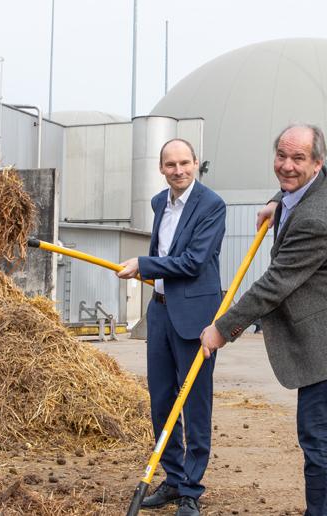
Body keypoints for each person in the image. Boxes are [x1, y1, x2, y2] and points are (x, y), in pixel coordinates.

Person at [199, 124, 327, 516]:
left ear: (317, 163)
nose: (287, 165)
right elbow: (293, 187)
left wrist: (222, 329)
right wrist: (278, 202)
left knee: (320, 441)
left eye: (298, 159)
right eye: (282, 155)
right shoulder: (319, 182)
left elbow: (274, 284)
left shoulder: (317, 219)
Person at [117, 138, 226, 516]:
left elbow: (194, 262)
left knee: (195, 404)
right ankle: (174, 478)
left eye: (184, 163)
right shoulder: (158, 203)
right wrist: (149, 271)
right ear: (161, 169)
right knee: (162, 400)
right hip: (160, 312)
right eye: (170, 165)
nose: (178, 170)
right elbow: (166, 251)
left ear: (196, 163)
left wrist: (144, 266)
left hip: (196, 319)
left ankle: (191, 491)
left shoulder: (212, 205)